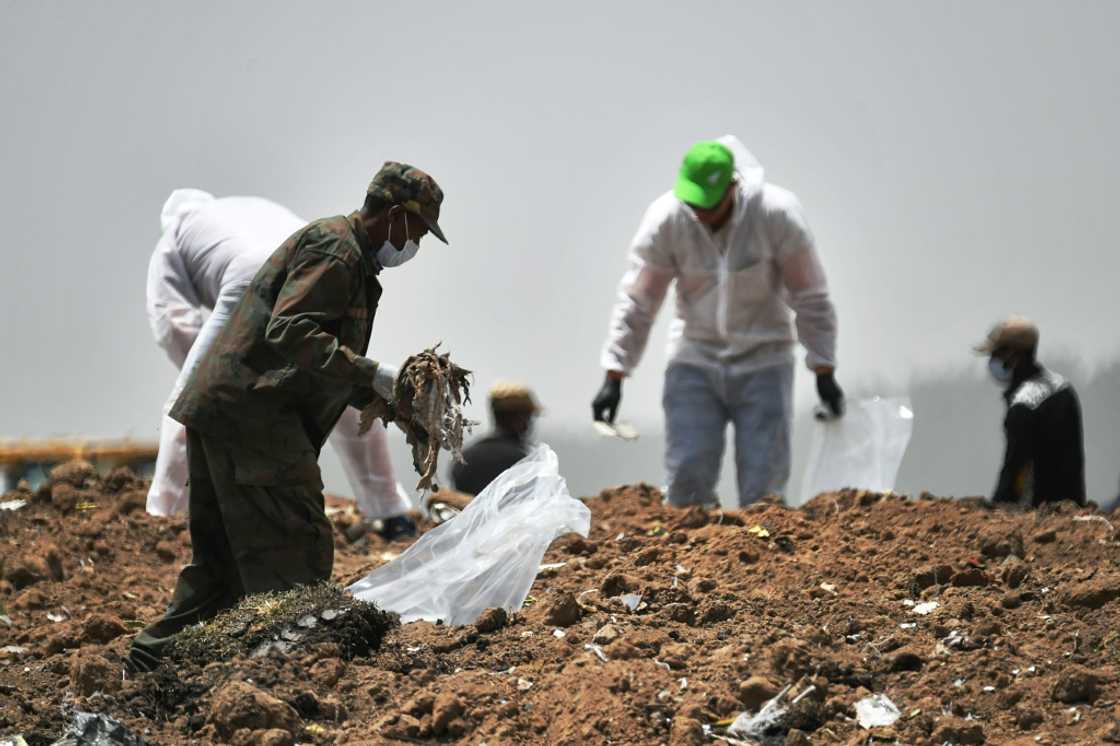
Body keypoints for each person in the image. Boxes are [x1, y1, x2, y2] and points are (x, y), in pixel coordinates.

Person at [128, 162, 447, 671]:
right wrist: (375, 374)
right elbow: (291, 332)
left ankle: (150, 664)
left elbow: (319, 361)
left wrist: (387, 402)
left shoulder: (345, 254)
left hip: (225, 412)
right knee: (299, 553)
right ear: (392, 216)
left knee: (221, 568)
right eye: (417, 231)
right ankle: (295, 677)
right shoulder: (336, 252)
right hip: (258, 420)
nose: (416, 246)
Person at [592, 136, 843, 508]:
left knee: (765, 490)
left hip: (765, 362)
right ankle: (688, 555)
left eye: (709, 205)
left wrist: (823, 367)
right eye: (693, 204)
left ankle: (762, 560)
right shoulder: (668, 219)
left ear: (733, 185)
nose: (701, 213)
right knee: (687, 481)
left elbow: (810, 295)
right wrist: (615, 373)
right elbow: (639, 299)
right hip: (695, 360)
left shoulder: (776, 215)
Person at [145, 190, 414, 537]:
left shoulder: (176, 237)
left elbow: (174, 323)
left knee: (196, 395)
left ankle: (163, 517)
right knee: (342, 377)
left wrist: (229, 379)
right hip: (313, 265)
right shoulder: (252, 207)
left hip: (253, 273)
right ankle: (391, 512)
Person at [975, 316, 1086, 507]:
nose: (992, 362)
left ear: (1012, 355)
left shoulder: (1023, 406)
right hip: (1072, 506)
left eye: (996, 354)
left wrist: (998, 504)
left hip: (1039, 510)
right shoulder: (1062, 387)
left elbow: (1015, 467)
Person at [451, 382, 541, 495]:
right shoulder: (521, 460)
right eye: (528, 416)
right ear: (518, 417)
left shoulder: (465, 457)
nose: (529, 423)